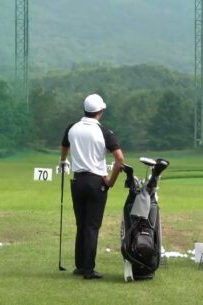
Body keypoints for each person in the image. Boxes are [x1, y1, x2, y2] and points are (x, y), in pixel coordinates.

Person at [60, 93, 124, 279]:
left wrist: (63, 161)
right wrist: (111, 182)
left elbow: (64, 147)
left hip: (78, 181)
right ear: (100, 111)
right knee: (92, 226)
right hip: (96, 182)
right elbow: (119, 158)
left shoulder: (72, 128)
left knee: (82, 225)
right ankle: (88, 269)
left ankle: (80, 265)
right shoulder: (104, 132)